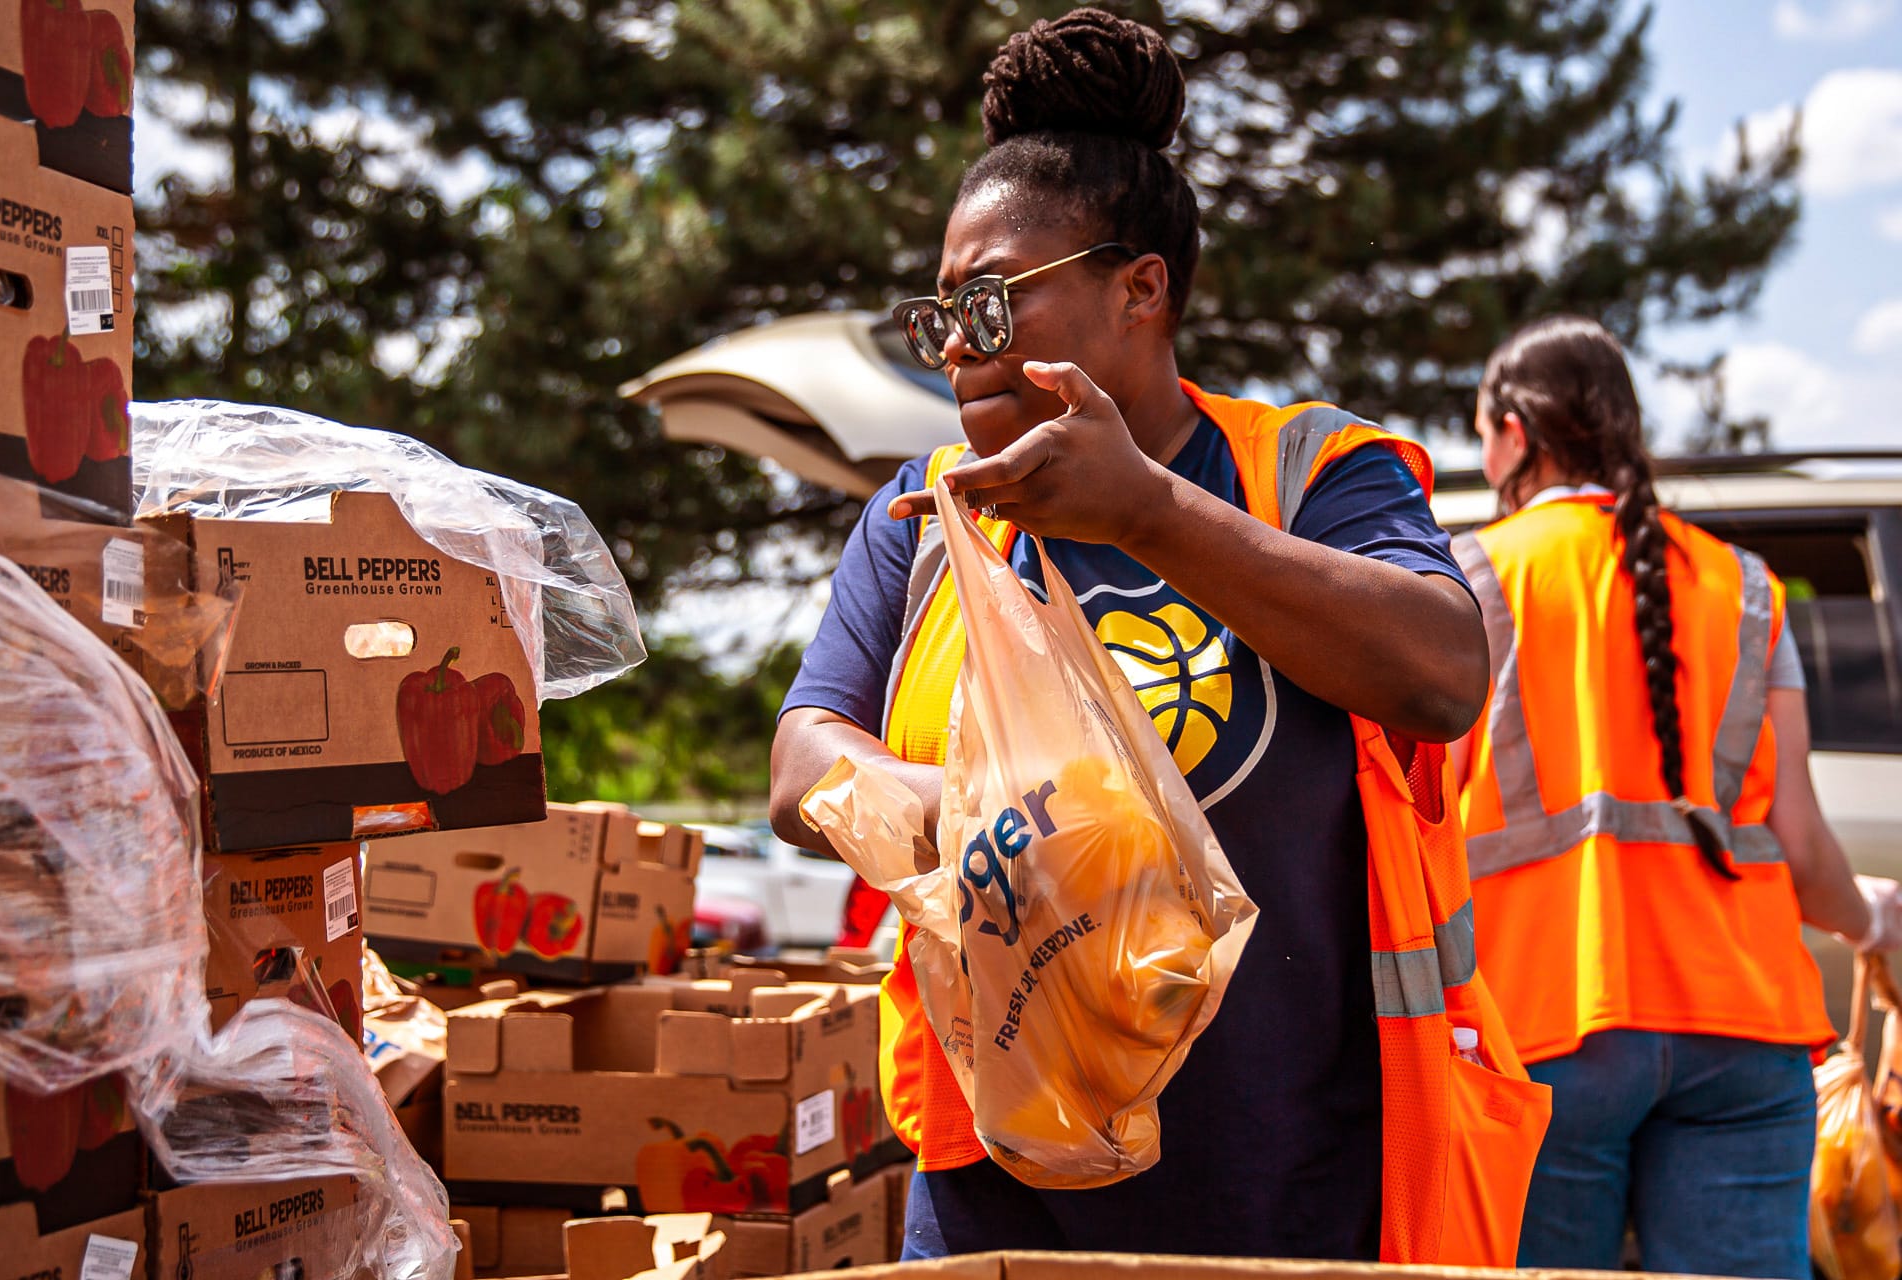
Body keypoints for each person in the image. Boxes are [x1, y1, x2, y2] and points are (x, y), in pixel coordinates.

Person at [769, 8, 1530, 1263]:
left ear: (1141, 288)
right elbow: (803, 758)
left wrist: (1149, 511)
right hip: (993, 1199)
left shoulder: (1307, 470)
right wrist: (968, 821)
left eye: (997, 304)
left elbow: (1443, 673)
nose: (961, 347)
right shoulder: (922, 519)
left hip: (1289, 1194)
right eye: (944, 312)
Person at [1451, 315, 1902, 1279]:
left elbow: (1415, 830)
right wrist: (1872, 920)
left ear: (1516, 434)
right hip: (1745, 1029)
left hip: (1543, 1026)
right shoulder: (1744, 587)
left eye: (1480, 428)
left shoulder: (1470, 575)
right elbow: (1809, 853)